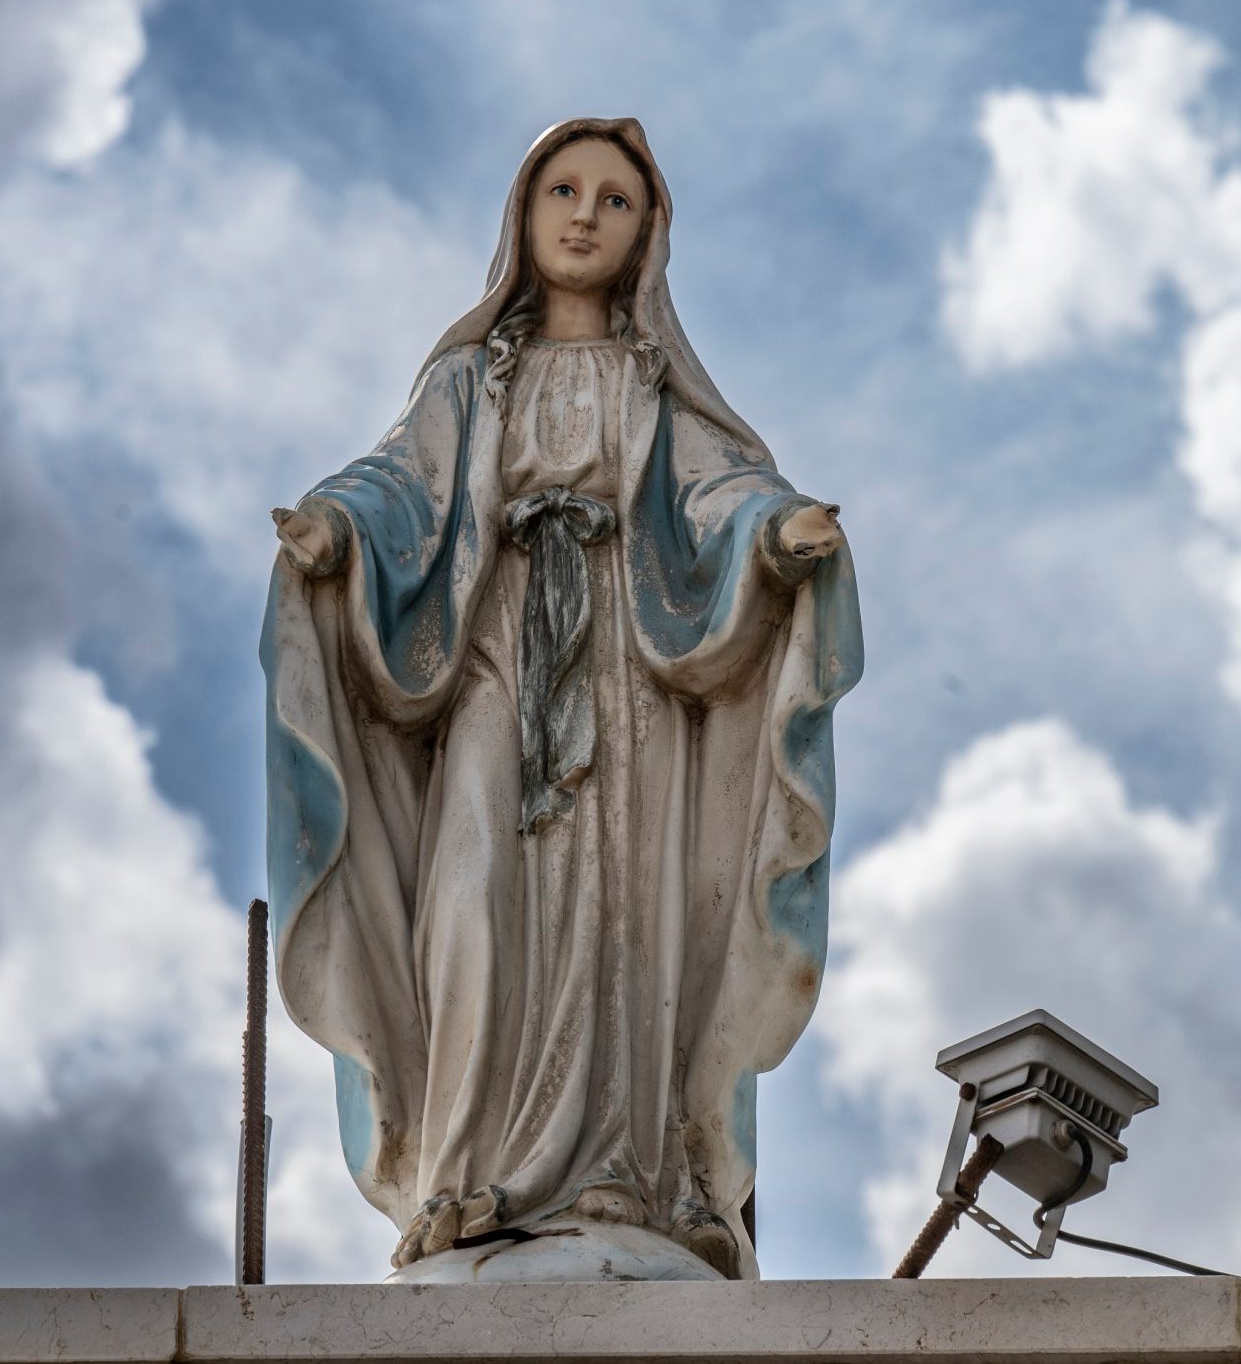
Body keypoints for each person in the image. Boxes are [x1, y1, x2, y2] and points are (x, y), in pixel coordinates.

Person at [262, 117, 862, 1279]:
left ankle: (622, 1171)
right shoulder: (468, 379)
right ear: (524, 214)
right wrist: (337, 526)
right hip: (496, 651)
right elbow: (399, 484)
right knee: (471, 895)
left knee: (622, 917)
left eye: (614, 200)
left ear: (648, 235)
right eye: (564, 191)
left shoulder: (655, 388)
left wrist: (774, 533)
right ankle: (465, 1168)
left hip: (630, 678)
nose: (585, 215)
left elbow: (721, 492)